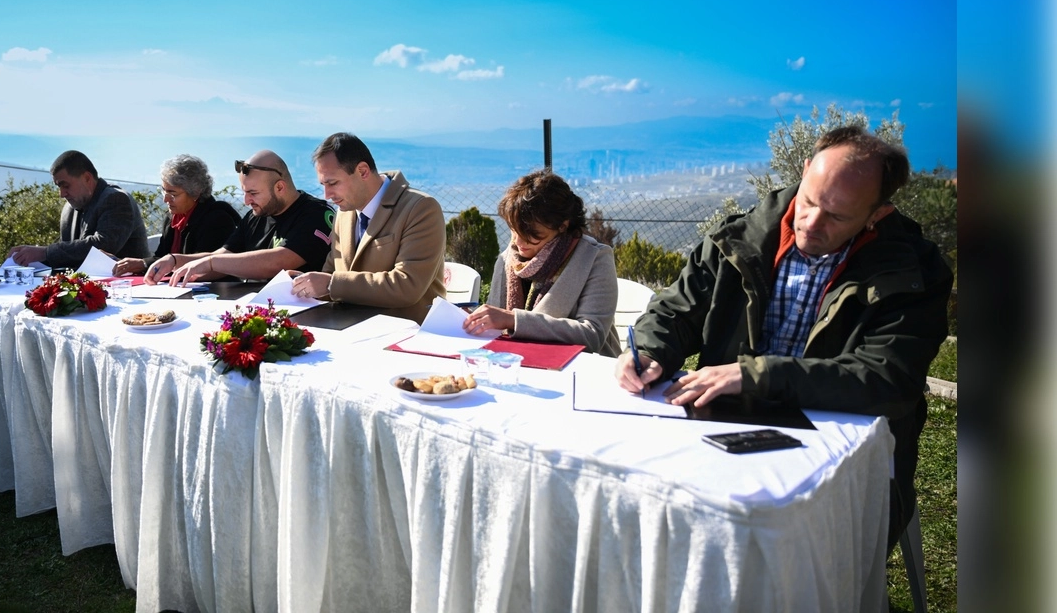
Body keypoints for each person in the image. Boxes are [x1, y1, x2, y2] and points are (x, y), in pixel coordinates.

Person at [614, 124, 952, 552]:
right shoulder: (738, 239)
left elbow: (887, 379)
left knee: (778, 551)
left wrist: (756, 376)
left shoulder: (914, 273)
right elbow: (674, 311)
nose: (811, 223)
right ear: (806, 169)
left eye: (838, 216)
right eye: (808, 201)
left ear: (877, 214)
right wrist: (650, 351)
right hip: (719, 437)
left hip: (835, 459)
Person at [462, 171, 621, 357]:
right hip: (519, 363)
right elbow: (497, 322)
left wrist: (514, 320)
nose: (518, 242)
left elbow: (592, 335)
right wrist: (474, 319)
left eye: (532, 235)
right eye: (514, 230)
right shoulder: (508, 259)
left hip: (582, 370)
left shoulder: (594, 257)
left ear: (562, 226)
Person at [291, 132, 445, 322]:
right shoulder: (344, 212)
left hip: (407, 338)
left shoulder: (420, 208)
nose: (327, 194)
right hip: (347, 330)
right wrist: (303, 283)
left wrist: (330, 284)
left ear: (363, 171)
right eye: (323, 184)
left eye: (333, 183)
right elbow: (331, 274)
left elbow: (407, 286)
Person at [145, 150, 335, 284]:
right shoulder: (257, 214)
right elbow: (222, 257)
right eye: (244, 192)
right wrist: (175, 261)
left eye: (253, 193)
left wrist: (211, 262)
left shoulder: (316, 213)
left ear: (279, 187)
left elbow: (280, 261)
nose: (246, 200)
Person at [8, 150, 149, 269]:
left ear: (87, 178)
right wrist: (28, 255)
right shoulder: (69, 209)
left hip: (128, 290)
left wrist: (45, 253)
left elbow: (102, 247)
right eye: (59, 187)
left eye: (66, 185)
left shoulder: (116, 199)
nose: (61, 194)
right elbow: (70, 253)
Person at [111, 155, 240, 277]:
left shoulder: (216, 219)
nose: (165, 199)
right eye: (163, 190)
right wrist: (141, 263)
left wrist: (146, 264)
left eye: (173, 194)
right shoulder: (173, 218)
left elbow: (204, 266)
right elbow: (162, 257)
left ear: (195, 193)